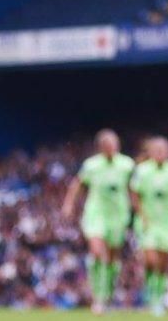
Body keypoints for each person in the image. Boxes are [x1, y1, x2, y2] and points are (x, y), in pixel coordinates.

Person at [62, 129, 136, 314]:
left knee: (112, 258)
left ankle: (108, 292)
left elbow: (133, 189)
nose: (111, 148)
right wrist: (69, 204)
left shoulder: (127, 164)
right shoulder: (91, 165)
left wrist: (139, 211)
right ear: (101, 147)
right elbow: (77, 184)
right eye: (107, 145)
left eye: (114, 144)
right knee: (97, 252)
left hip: (118, 215)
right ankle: (98, 297)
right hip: (95, 214)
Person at [131, 136, 168, 317]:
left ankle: (158, 299)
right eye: (157, 151)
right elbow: (134, 194)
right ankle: (152, 296)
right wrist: (142, 216)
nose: (160, 154)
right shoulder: (142, 171)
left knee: (163, 264)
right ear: (150, 152)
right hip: (148, 223)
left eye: (163, 151)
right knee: (150, 260)